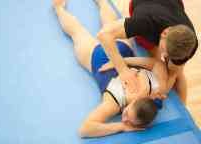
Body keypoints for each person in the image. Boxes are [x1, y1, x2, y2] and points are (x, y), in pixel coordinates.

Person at [53, 0, 168, 137]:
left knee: (109, 25)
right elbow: (84, 130)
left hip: (122, 51)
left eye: (127, 120)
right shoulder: (115, 102)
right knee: (77, 32)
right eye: (126, 114)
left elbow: (158, 64)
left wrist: (123, 62)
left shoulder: (155, 87)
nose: (124, 119)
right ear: (134, 103)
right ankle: (59, 8)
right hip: (98, 58)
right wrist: (122, 127)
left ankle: (99, 2)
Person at [97, 0, 198, 104]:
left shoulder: (189, 43)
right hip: (143, 4)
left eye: (168, 56)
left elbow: (173, 74)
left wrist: (161, 92)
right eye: (164, 51)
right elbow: (104, 34)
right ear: (164, 33)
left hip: (173, 6)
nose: (164, 57)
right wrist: (123, 70)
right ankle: (102, 2)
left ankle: (183, 113)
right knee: (154, 57)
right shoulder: (143, 23)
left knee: (177, 72)